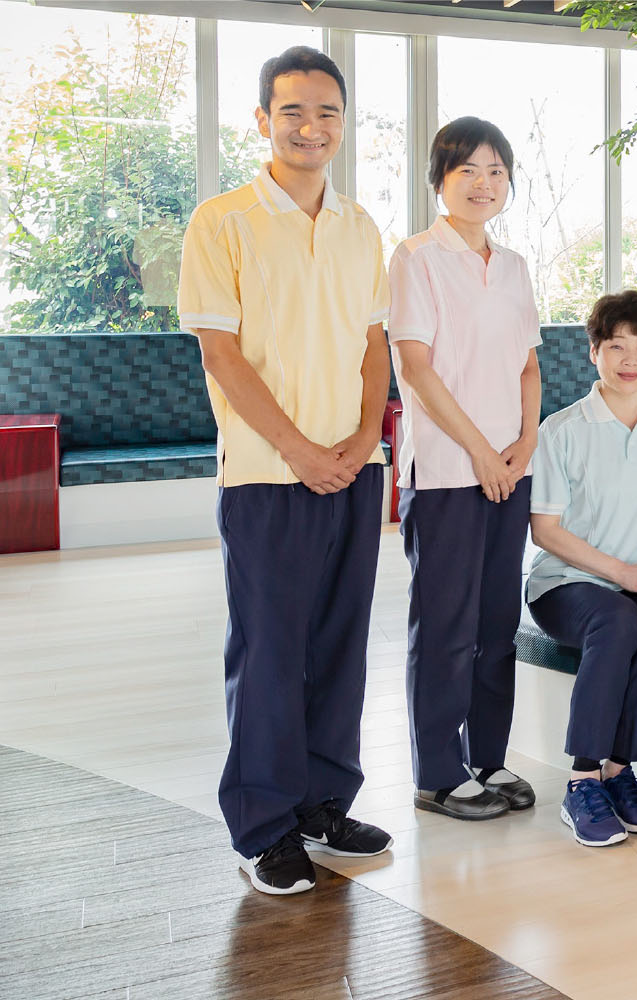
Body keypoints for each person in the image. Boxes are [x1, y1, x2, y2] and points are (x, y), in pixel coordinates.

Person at [179, 46, 393, 895]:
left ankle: (323, 805)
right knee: (270, 651)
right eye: (294, 111)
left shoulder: (359, 226)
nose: (312, 127)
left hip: (354, 468)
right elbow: (221, 354)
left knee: (341, 646)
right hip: (267, 473)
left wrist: (364, 438)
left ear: (343, 123)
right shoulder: (222, 220)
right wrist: (302, 450)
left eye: (327, 112)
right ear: (263, 120)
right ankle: (264, 825)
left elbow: (374, 345)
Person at [389, 117, 542, 823]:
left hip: (510, 469)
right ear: (440, 179)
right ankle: (438, 773)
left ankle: (488, 758)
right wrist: (482, 450)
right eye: (467, 170)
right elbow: (416, 369)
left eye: (496, 171)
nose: (484, 184)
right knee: (445, 627)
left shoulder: (513, 266)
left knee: (496, 624)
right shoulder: (416, 258)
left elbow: (528, 365)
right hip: (449, 471)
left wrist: (526, 441)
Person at [525, 292, 637, 847]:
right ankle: (582, 780)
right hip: (567, 582)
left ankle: (620, 771)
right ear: (593, 352)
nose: (630, 359)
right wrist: (623, 574)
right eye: (616, 346)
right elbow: (546, 531)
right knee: (616, 620)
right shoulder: (562, 430)